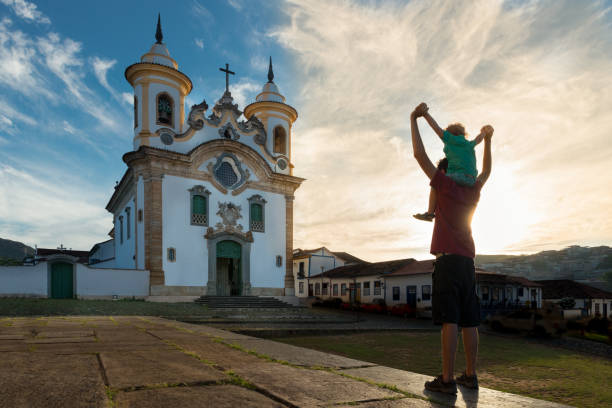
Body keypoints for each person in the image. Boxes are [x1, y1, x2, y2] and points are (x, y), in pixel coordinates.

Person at [410, 102, 493, 394]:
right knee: (470, 320)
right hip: (468, 261)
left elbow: (419, 155)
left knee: (450, 319)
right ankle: (470, 375)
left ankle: (446, 380)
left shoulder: (444, 184)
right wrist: (488, 140)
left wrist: (414, 119)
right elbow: (486, 171)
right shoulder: (474, 189)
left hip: (447, 260)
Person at [413, 111, 491, 222]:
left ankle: (430, 213)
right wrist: (484, 132)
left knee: (436, 183)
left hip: (455, 176)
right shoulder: (469, 144)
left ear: (449, 133)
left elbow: (435, 127)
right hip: (472, 180)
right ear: (463, 134)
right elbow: (479, 139)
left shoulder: (449, 139)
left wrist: (425, 114)